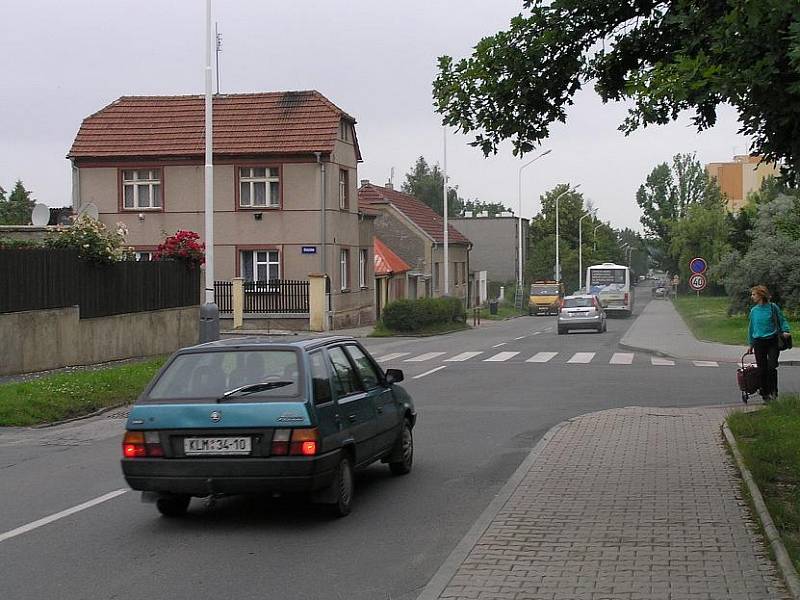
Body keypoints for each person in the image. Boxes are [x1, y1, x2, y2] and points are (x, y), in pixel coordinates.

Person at [747, 285, 791, 402]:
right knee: (762, 369)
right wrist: (751, 345)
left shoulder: (773, 307)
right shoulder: (754, 311)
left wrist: (786, 331)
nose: (752, 297)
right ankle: (765, 394)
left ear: (761, 295)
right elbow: (751, 328)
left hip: (772, 341)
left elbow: (782, 320)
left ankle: (773, 393)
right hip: (758, 342)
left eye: (754, 294)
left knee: (771, 367)